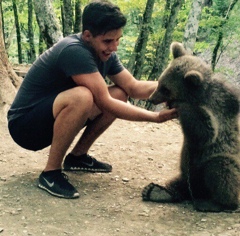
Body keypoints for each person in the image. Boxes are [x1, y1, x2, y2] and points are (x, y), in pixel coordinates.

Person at [7, 0, 177, 199]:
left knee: (120, 93)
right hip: (25, 127)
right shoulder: (74, 50)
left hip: (50, 119)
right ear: (87, 36)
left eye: (118, 40)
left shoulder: (105, 53)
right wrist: (155, 118)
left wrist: (176, 88)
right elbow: (104, 101)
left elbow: (134, 87)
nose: (114, 47)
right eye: (108, 41)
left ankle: (77, 157)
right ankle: (50, 173)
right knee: (83, 97)